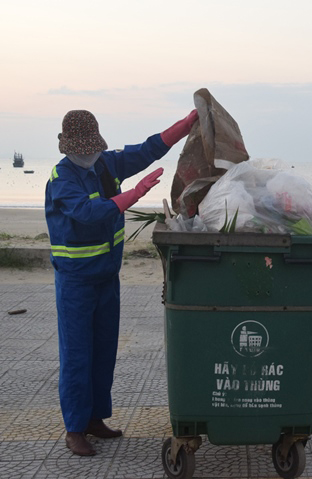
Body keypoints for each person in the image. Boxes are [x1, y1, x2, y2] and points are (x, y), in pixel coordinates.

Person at [45, 108, 198, 456]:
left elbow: (146, 150)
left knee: (103, 351)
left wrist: (184, 126)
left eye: (91, 147)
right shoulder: (61, 179)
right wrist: (134, 195)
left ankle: (95, 418)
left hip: (106, 278)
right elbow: (87, 213)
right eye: (81, 148)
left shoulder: (106, 165)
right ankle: (74, 428)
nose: (87, 153)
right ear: (68, 147)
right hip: (75, 283)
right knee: (77, 355)